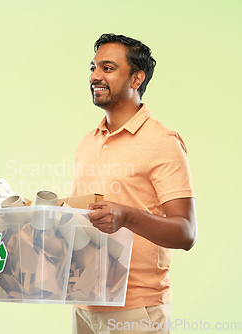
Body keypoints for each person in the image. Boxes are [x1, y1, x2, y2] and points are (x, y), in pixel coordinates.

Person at [69, 33, 196, 334]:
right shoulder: (88, 142)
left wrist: (127, 216)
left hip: (134, 309)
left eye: (108, 68)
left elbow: (186, 233)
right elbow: (81, 217)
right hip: (83, 304)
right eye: (93, 67)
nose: (95, 76)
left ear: (136, 79)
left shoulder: (162, 142)